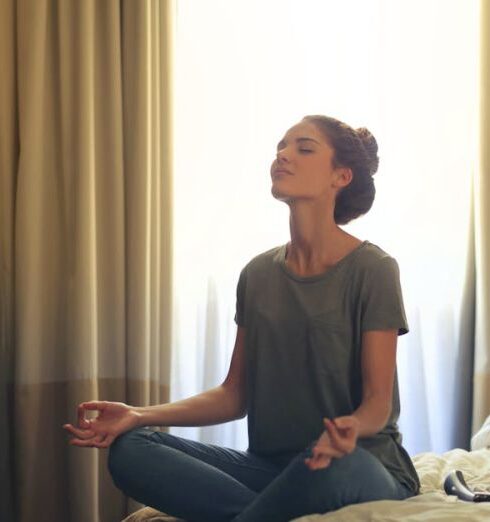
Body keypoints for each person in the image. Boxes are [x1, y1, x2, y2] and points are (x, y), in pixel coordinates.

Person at [63, 115, 420, 522]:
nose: (283, 155)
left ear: (341, 176)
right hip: (271, 471)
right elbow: (234, 395)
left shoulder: (373, 269)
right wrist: (139, 414)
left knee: (338, 466)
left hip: (358, 465)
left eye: (303, 148)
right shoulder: (257, 274)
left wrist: (351, 428)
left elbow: (378, 403)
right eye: (280, 147)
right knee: (132, 448)